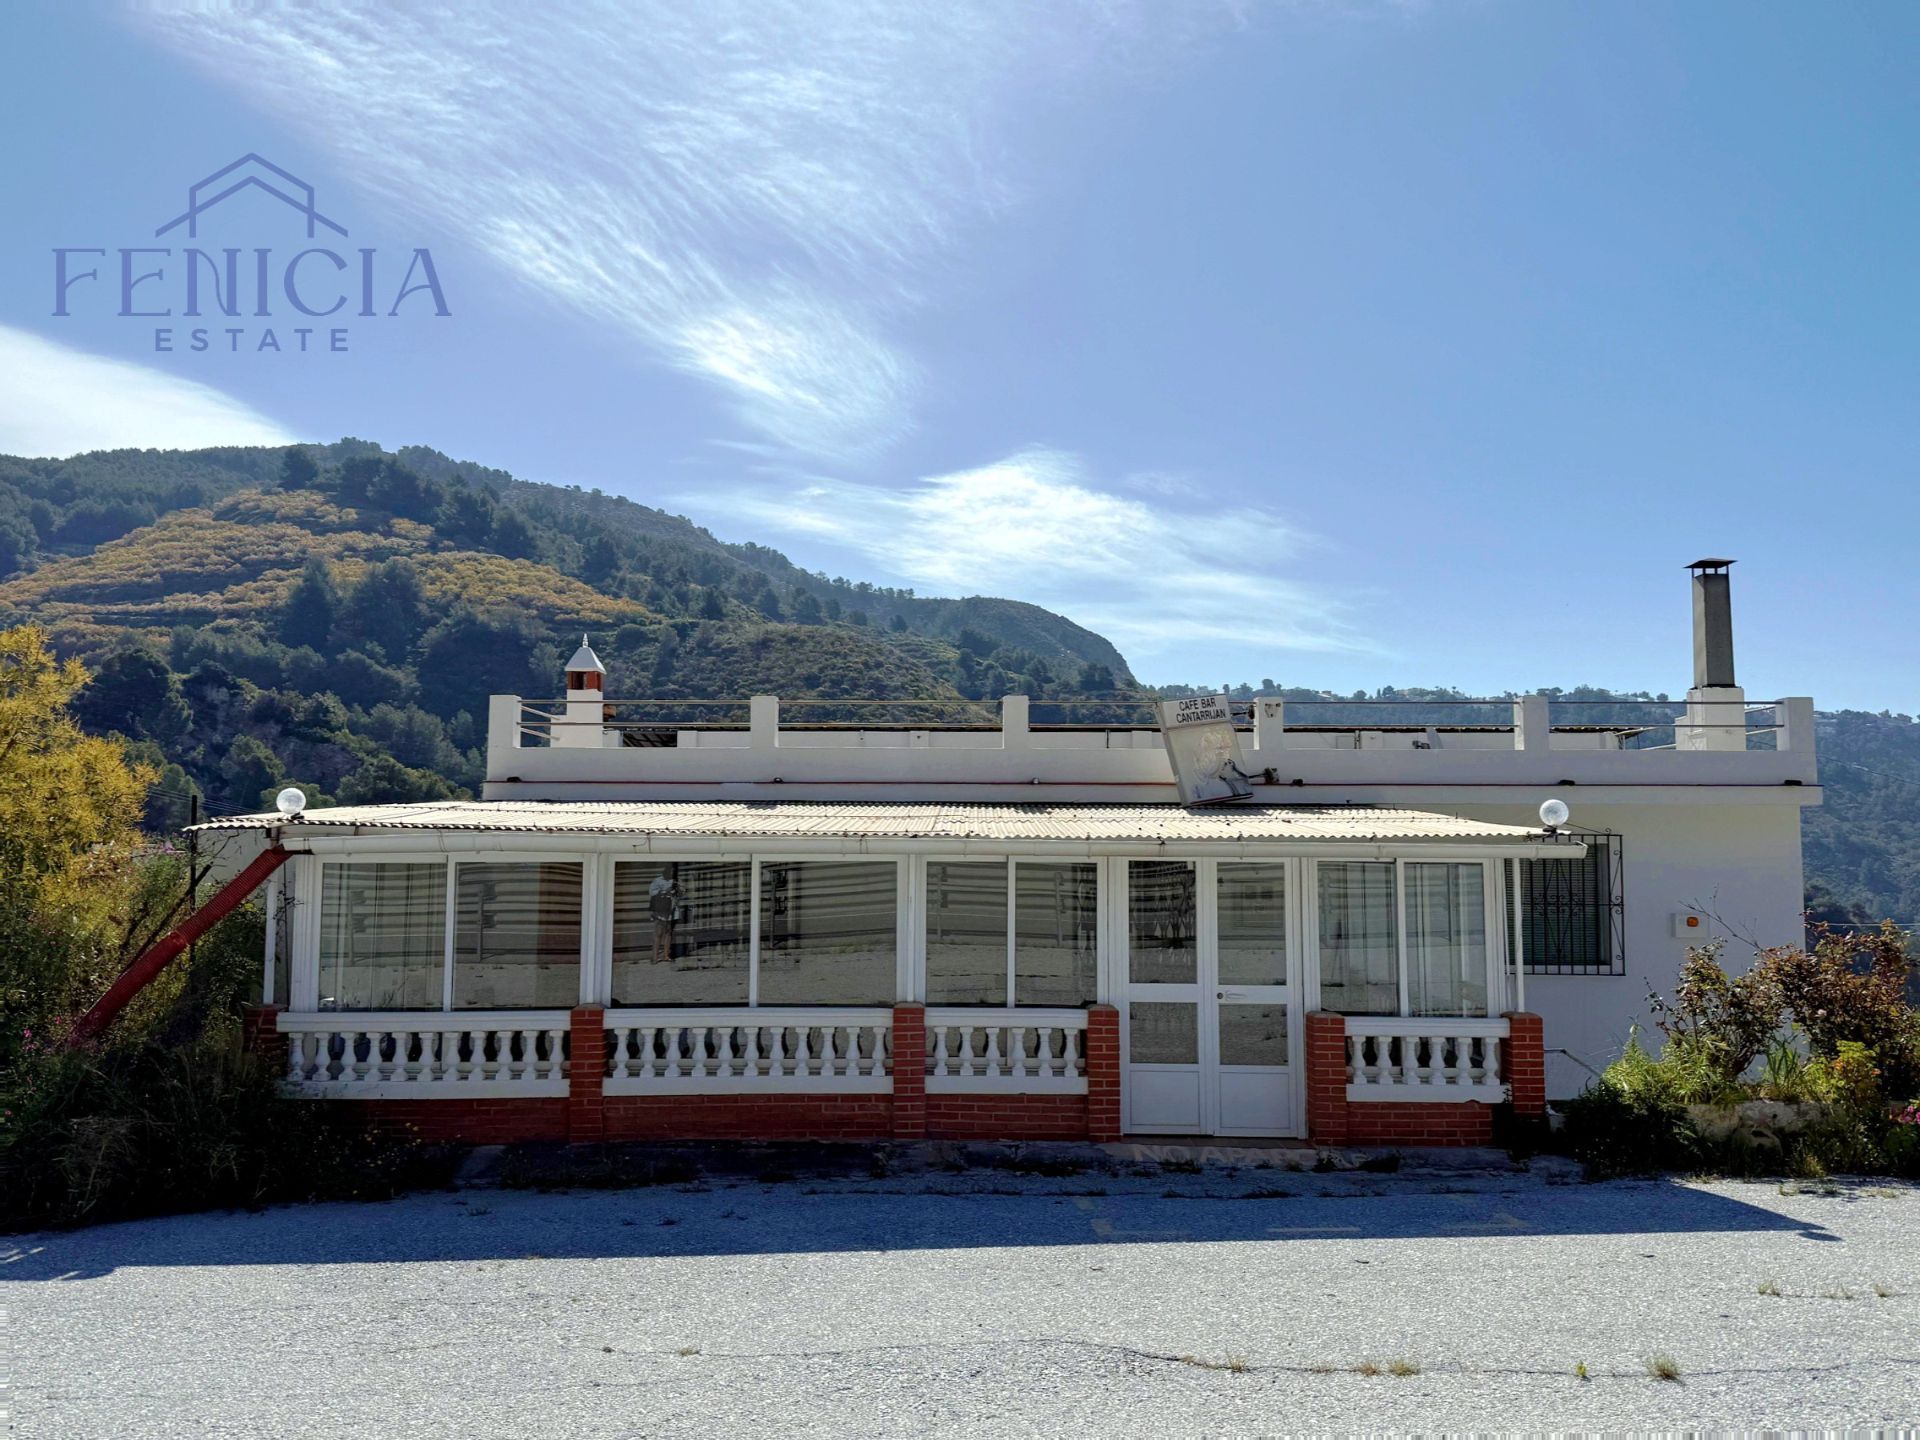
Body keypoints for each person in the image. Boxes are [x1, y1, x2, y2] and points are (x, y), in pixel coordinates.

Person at [649, 867, 681, 963]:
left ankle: (666, 955)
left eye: (673, 873)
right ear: (665, 872)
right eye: (670, 873)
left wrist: (678, 889)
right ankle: (655, 957)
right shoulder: (658, 881)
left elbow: (682, 894)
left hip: (672, 910)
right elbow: (651, 892)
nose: (671, 875)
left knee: (668, 933)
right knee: (658, 933)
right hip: (661, 909)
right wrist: (664, 891)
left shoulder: (676, 881)